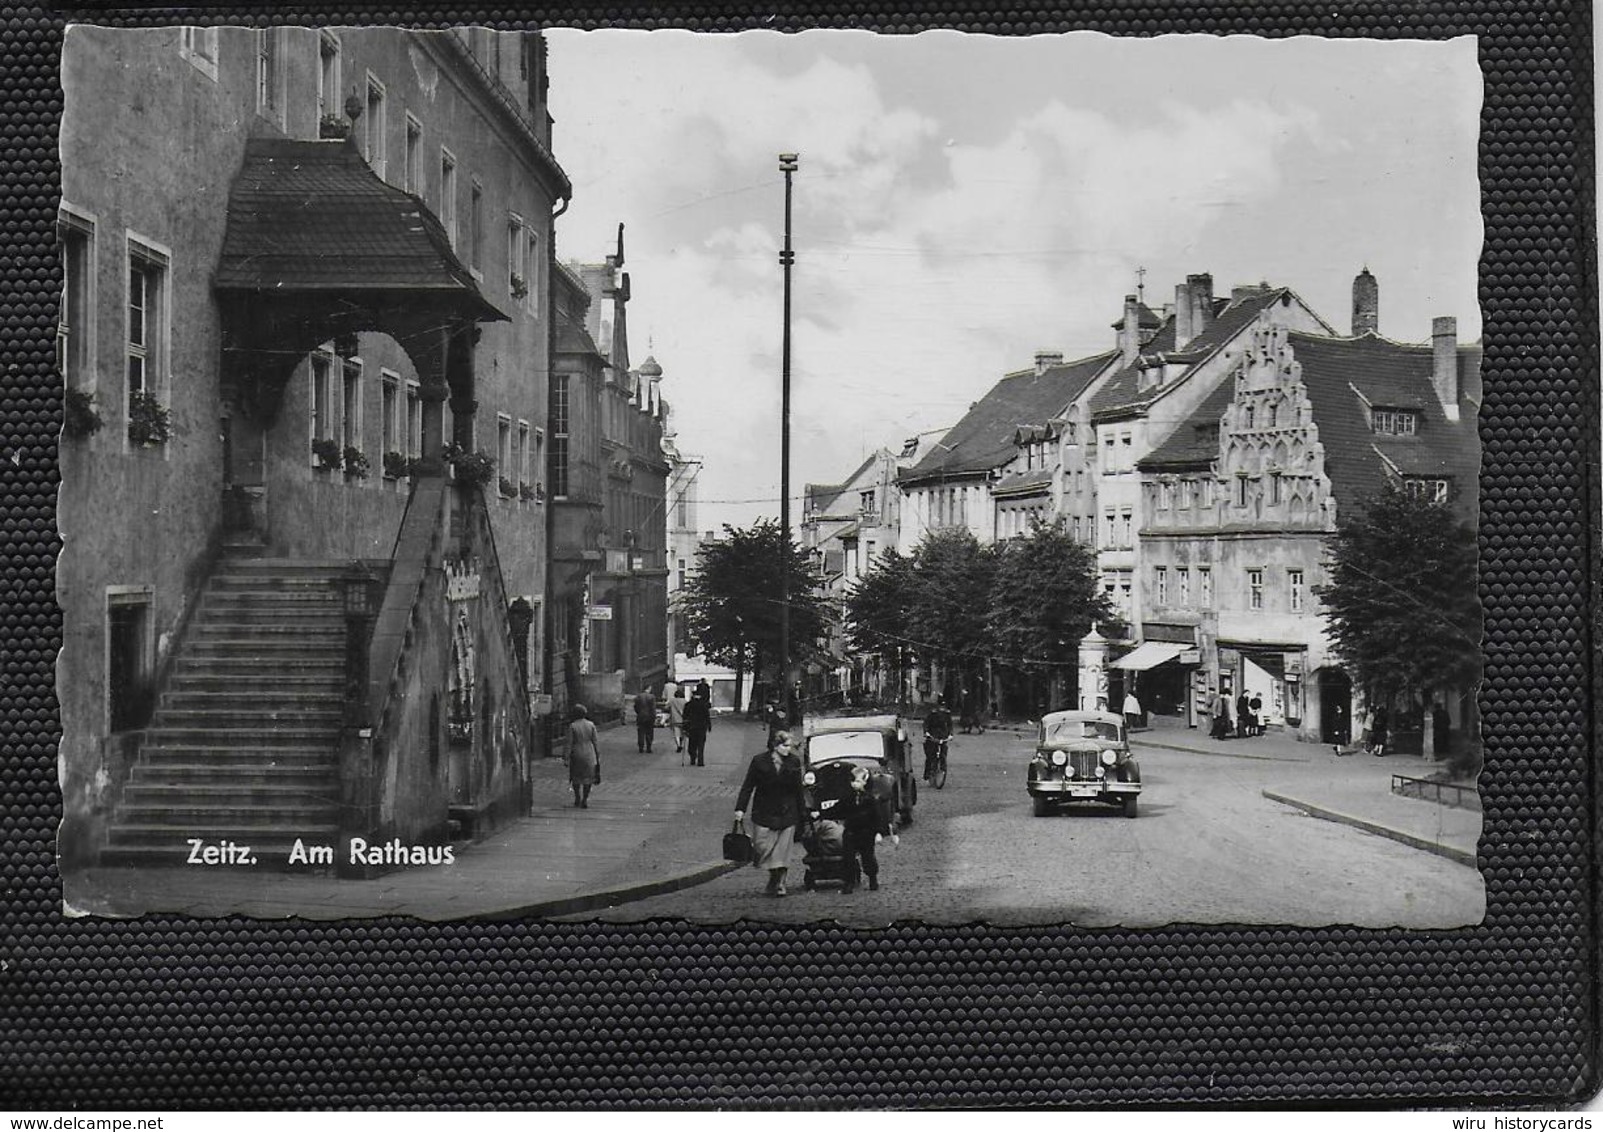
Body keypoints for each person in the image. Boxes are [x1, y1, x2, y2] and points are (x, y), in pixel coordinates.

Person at [734, 729, 807, 897]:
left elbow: (798, 790)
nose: (788, 749)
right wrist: (740, 809)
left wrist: (803, 812)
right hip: (764, 811)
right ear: (775, 745)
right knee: (762, 847)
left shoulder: (794, 762)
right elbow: (748, 786)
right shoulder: (759, 761)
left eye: (790, 746)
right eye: (785, 746)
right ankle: (773, 877)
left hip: (787, 811)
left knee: (783, 850)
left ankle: (781, 882)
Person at [832, 765, 896, 895]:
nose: (854, 784)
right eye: (853, 781)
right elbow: (837, 810)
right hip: (851, 831)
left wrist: (878, 832)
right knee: (848, 858)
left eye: (858, 781)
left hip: (867, 832)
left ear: (865, 783)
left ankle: (872, 878)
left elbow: (877, 817)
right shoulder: (848, 797)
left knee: (868, 857)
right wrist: (821, 813)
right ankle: (848, 882)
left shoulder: (870, 799)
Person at [565, 704, 602, 809]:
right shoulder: (591, 725)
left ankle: (577, 797)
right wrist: (597, 755)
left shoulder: (572, 726)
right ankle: (585, 799)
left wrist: (566, 757)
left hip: (576, 753)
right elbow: (595, 741)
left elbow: (569, 743)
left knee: (576, 777)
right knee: (588, 778)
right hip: (589, 753)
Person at [922, 696, 953, 782]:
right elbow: (926, 724)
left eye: (943, 706)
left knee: (943, 753)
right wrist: (927, 732)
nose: (941, 709)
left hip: (943, 735)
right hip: (932, 735)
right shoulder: (933, 713)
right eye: (940, 706)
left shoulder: (947, 714)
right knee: (930, 756)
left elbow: (950, 725)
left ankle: (943, 769)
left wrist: (950, 734)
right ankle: (927, 773)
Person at [683, 685, 712, 767]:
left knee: (692, 743)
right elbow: (707, 716)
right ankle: (700, 761)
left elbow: (685, 716)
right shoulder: (704, 705)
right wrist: (709, 725)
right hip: (702, 727)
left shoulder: (688, 705)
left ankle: (692, 757)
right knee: (701, 744)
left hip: (692, 727)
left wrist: (684, 727)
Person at [633, 685, 656, 753]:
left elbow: (635, 707)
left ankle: (641, 747)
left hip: (640, 716)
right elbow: (653, 708)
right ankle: (648, 747)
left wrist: (639, 713)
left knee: (641, 732)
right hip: (649, 716)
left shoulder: (638, 697)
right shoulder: (652, 697)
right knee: (649, 732)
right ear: (648, 688)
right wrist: (654, 716)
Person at [668, 684, 687, 753]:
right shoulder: (684, 701)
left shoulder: (672, 701)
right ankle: (681, 743)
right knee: (682, 733)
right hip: (683, 719)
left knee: (676, 734)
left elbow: (666, 707)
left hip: (674, 719)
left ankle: (678, 745)